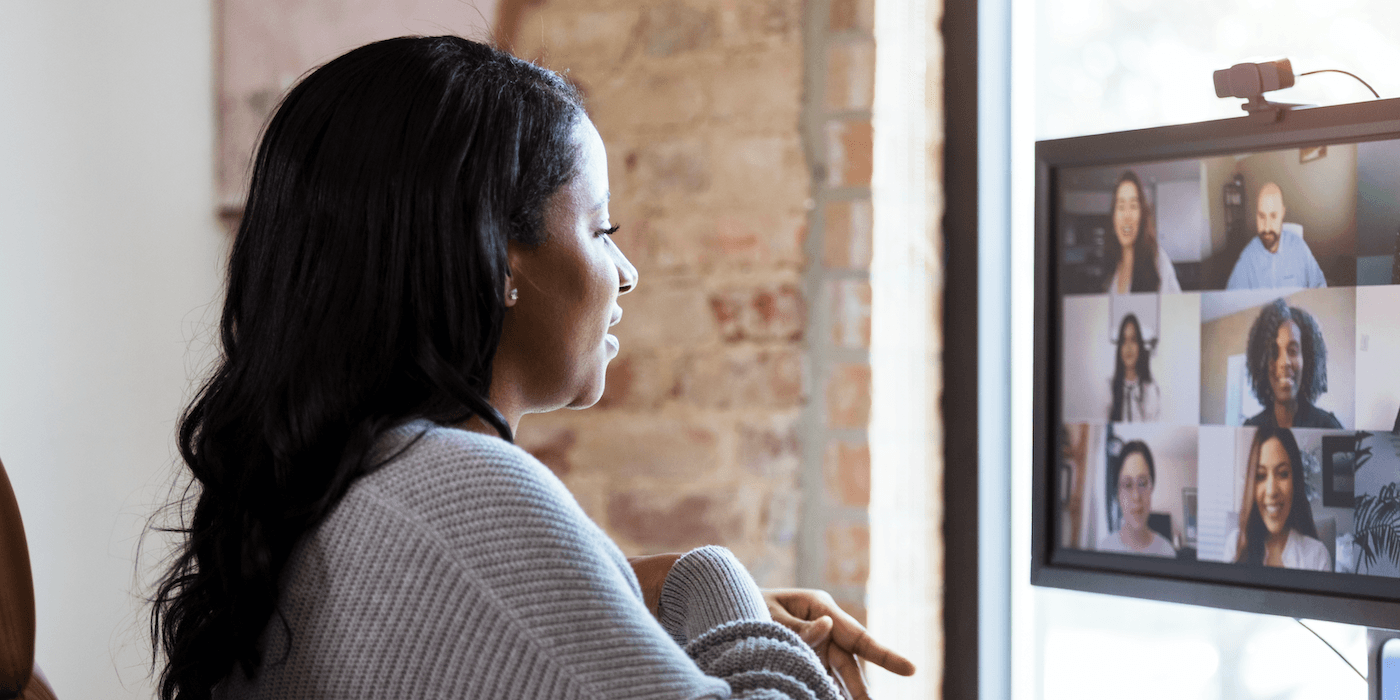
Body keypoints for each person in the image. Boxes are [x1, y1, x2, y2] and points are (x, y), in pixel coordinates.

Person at [149, 37, 914, 700]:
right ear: (498, 255)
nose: (627, 272)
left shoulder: (332, 495)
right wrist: (708, 582)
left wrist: (624, 589)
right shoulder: (456, 482)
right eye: (600, 227)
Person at [1231, 427, 1332, 570]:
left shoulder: (1317, 556)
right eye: (1261, 476)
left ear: (1295, 482)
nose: (1272, 491)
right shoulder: (1234, 546)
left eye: (1283, 474)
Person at [1242, 299, 1342, 429]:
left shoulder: (1328, 427)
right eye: (1274, 352)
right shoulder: (1251, 428)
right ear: (1261, 362)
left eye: (1293, 351)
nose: (1285, 362)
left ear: (1307, 359)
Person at [1225, 182, 1327, 290]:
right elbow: (1231, 299)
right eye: (1261, 216)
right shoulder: (1249, 256)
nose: (1267, 227)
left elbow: (1320, 286)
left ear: (1282, 213)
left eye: (1273, 216)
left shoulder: (1299, 248)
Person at [1103, 171, 1181, 294]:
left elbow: (1177, 310)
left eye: (1133, 206)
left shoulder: (1158, 260)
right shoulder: (1112, 266)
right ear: (1113, 217)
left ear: (1142, 215)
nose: (1126, 216)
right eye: (1121, 206)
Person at [1097, 440, 1176, 557]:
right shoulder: (1103, 549)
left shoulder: (1168, 553)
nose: (1136, 496)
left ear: (1151, 488)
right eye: (1127, 485)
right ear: (1118, 494)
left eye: (1143, 483)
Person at [1108, 313, 1160, 422]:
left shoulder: (1150, 390)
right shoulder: (1109, 388)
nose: (1128, 347)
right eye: (1123, 340)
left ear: (1140, 346)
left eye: (1133, 340)